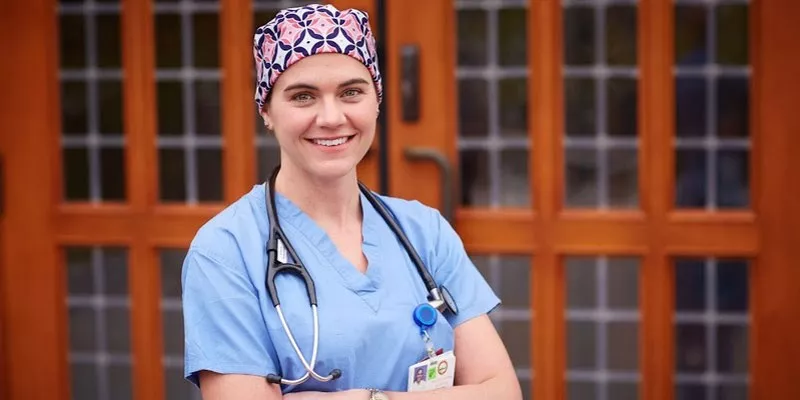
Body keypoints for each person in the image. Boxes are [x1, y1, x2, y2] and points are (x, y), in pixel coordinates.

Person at [181, 4, 521, 399]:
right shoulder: (224, 251)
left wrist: (371, 398)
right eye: (303, 96)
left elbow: (501, 391)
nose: (331, 117)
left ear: (376, 100)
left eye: (351, 92)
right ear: (266, 111)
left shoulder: (424, 232)